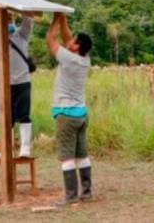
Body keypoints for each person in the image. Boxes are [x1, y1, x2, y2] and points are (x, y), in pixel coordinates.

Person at [46, 12, 93, 205]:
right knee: (81, 155)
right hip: (81, 114)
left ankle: (71, 196)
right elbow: (66, 38)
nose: (70, 40)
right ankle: (87, 192)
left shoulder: (68, 59)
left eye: (73, 41)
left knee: (66, 157)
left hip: (65, 115)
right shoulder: (83, 58)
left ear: (76, 47)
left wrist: (56, 19)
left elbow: (50, 39)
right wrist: (63, 18)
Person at [0, 7, 34, 157]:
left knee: (23, 115)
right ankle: (5, 149)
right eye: (3, 18)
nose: (7, 21)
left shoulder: (22, 34)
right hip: (0, 84)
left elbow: (29, 19)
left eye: (9, 18)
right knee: (4, 117)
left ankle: (25, 148)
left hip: (22, 82)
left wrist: (18, 8)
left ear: (13, 20)